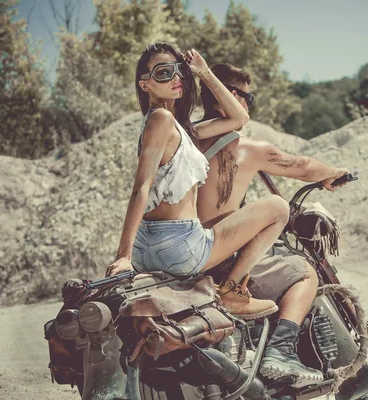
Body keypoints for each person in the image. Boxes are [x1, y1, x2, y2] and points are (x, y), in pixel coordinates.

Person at [106, 43, 290, 321]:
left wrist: (203, 71)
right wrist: (123, 255)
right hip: (180, 246)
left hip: (149, 246)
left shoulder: (180, 130)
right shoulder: (161, 118)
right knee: (278, 208)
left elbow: (240, 118)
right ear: (145, 85)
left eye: (179, 71)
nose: (176, 78)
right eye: (163, 73)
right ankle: (231, 291)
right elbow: (141, 186)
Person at [196, 63, 349, 385]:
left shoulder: (184, 138)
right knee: (303, 271)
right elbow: (305, 167)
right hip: (218, 258)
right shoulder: (246, 148)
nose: (250, 104)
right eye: (249, 97)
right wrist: (333, 173)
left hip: (182, 250)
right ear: (233, 96)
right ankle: (281, 351)